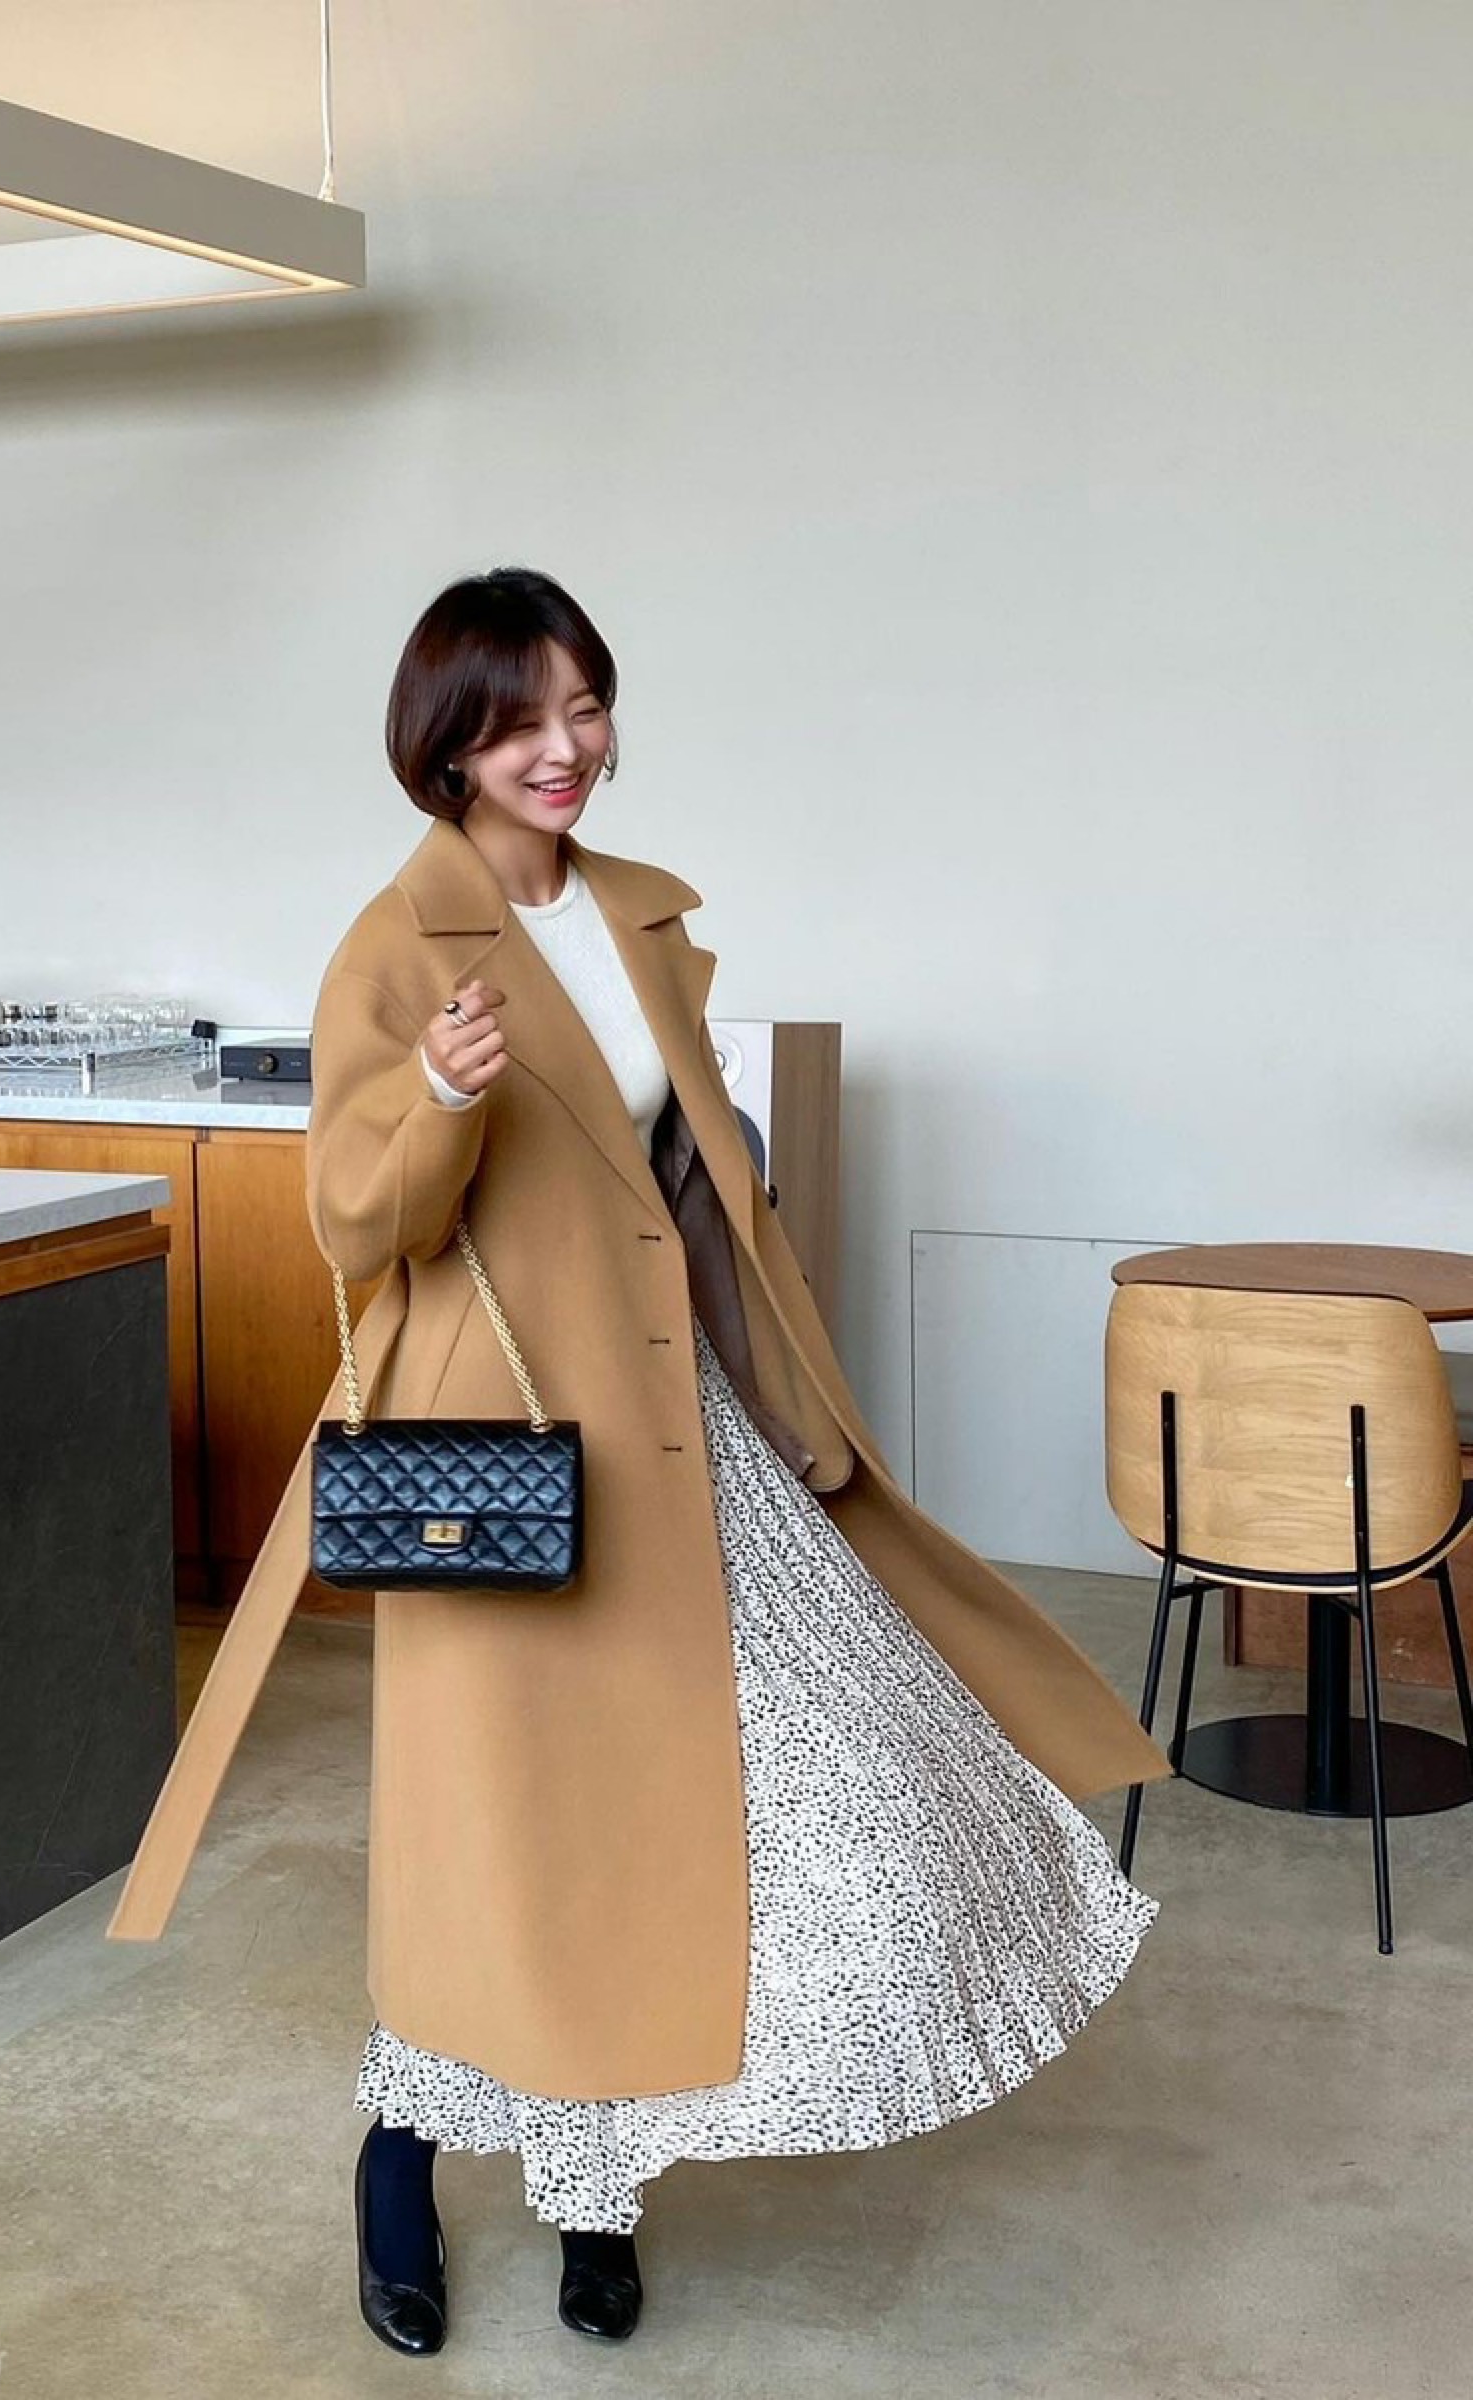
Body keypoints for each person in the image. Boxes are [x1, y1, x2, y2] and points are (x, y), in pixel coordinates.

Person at [111, 568, 1168, 2357]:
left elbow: (679, 1171)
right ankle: (400, 2161)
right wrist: (442, 1097)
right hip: (506, 1460)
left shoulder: (636, 914)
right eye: (520, 719)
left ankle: (595, 2186)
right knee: (510, 1839)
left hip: (686, 1433)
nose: (565, 747)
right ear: (448, 744)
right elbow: (354, 1223)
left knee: (801, 1788)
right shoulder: (396, 942)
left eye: (584, 706)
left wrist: (774, 1332)